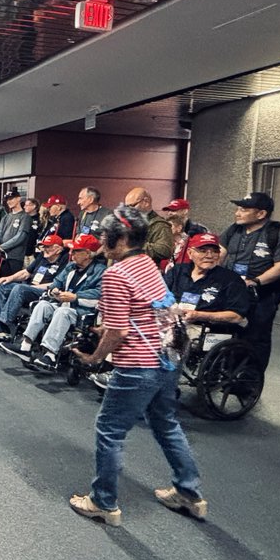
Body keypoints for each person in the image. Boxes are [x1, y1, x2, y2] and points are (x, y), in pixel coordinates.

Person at [69, 205, 206, 526]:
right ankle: (189, 492)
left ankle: (103, 502)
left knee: (110, 430)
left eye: (106, 234)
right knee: (166, 424)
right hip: (169, 357)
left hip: (139, 365)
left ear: (123, 236)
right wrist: (112, 331)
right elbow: (145, 310)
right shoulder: (146, 263)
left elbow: (118, 331)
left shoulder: (116, 273)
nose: (102, 239)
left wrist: (94, 358)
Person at [219, 191, 280, 372]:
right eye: (238, 208)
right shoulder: (233, 230)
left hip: (262, 295)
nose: (237, 213)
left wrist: (254, 282)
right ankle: (224, 372)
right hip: (232, 292)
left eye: (244, 209)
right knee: (225, 330)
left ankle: (249, 381)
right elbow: (220, 254)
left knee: (256, 337)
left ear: (261, 214)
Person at [4, 233, 106, 367]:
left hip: (83, 311)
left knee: (62, 312)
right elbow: (56, 282)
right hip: (63, 304)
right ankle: (25, 346)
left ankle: (50, 355)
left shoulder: (101, 271)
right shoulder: (71, 266)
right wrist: (54, 290)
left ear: (87, 253)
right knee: (43, 305)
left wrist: (76, 296)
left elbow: (100, 293)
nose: (71, 253)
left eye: (75, 251)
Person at [0, 234, 67, 339]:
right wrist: (9, 278)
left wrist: (34, 287)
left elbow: (56, 284)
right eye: (44, 246)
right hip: (29, 287)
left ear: (58, 249)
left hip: (44, 292)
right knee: (2, 284)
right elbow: (26, 273)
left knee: (19, 288)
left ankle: (4, 326)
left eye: (49, 246)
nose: (45, 249)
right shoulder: (42, 257)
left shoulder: (64, 261)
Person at [164, 232, 251, 333]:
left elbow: (237, 316)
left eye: (214, 251)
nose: (209, 256)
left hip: (207, 332)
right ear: (190, 253)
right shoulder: (177, 271)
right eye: (203, 251)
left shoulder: (231, 280)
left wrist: (199, 315)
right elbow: (159, 295)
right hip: (172, 325)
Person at [122, 186, 174, 265]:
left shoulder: (159, 225)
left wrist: (134, 245)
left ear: (146, 202)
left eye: (132, 206)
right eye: (126, 207)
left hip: (144, 271)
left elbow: (165, 250)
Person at [0, 189, 33, 276]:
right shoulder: (6, 217)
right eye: (7, 200)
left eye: (11, 199)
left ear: (18, 199)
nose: (9, 201)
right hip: (1, 256)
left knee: (11, 281)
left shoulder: (25, 217)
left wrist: (2, 247)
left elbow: (21, 236)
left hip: (15, 257)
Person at [162, 198, 207, 267]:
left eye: (174, 210)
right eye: (169, 210)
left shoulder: (199, 230)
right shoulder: (164, 228)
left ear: (185, 211)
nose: (170, 213)